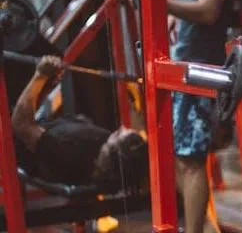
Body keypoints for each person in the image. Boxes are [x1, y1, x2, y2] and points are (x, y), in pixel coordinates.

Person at [120, 0, 239, 233]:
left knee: (190, 160)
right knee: (177, 157)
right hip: (186, 64)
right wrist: (175, 13)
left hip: (200, 70)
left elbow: (207, 10)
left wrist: (158, 4)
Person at [11, 56, 149, 194]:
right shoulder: (99, 148)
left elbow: (20, 124)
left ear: (115, 150)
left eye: (119, 134)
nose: (121, 128)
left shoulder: (68, 151)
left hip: (9, 137)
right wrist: (44, 84)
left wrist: (41, 75)